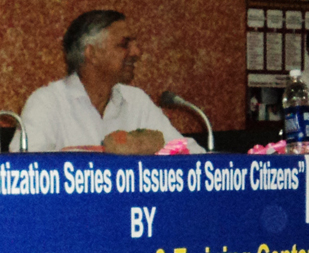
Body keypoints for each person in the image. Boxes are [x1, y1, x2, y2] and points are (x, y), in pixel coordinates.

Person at [12, 10, 203, 153]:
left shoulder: (135, 100)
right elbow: (25, 173)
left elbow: (188, 151)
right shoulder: (47, 103)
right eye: (124, 44)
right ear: (92, 53)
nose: (136, 52)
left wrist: (152, 146)